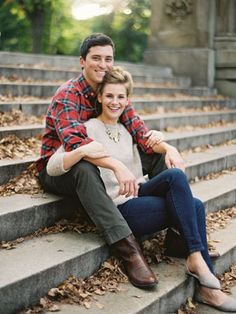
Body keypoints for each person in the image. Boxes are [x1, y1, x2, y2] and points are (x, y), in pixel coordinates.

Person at [46, 66, 236, 312]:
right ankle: (207, 285)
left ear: (128, 100)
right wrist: (82, 151)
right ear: (100, 97)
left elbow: (151, 154)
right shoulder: (89, 128)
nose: (115, 102)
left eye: (121, 97)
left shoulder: (128, 131)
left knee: (178, 179)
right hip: (119, 208)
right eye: (110, 96)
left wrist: (168, 147)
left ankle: (196, 258)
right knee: (194, 207)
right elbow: (53, 167)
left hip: (137, 194)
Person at [36, 33, 185, 290]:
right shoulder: (68, 95)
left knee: (157, 156)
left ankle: (179, 234)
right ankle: (129, 251)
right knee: (85, 166)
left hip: (100, 163)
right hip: (61, 168)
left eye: (108, 59)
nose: (103, 65)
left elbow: (140, 134)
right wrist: (117, 165)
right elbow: (77, 145)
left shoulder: (112, 92)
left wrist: (168, 147)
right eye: (96, 58)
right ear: (82, 61)